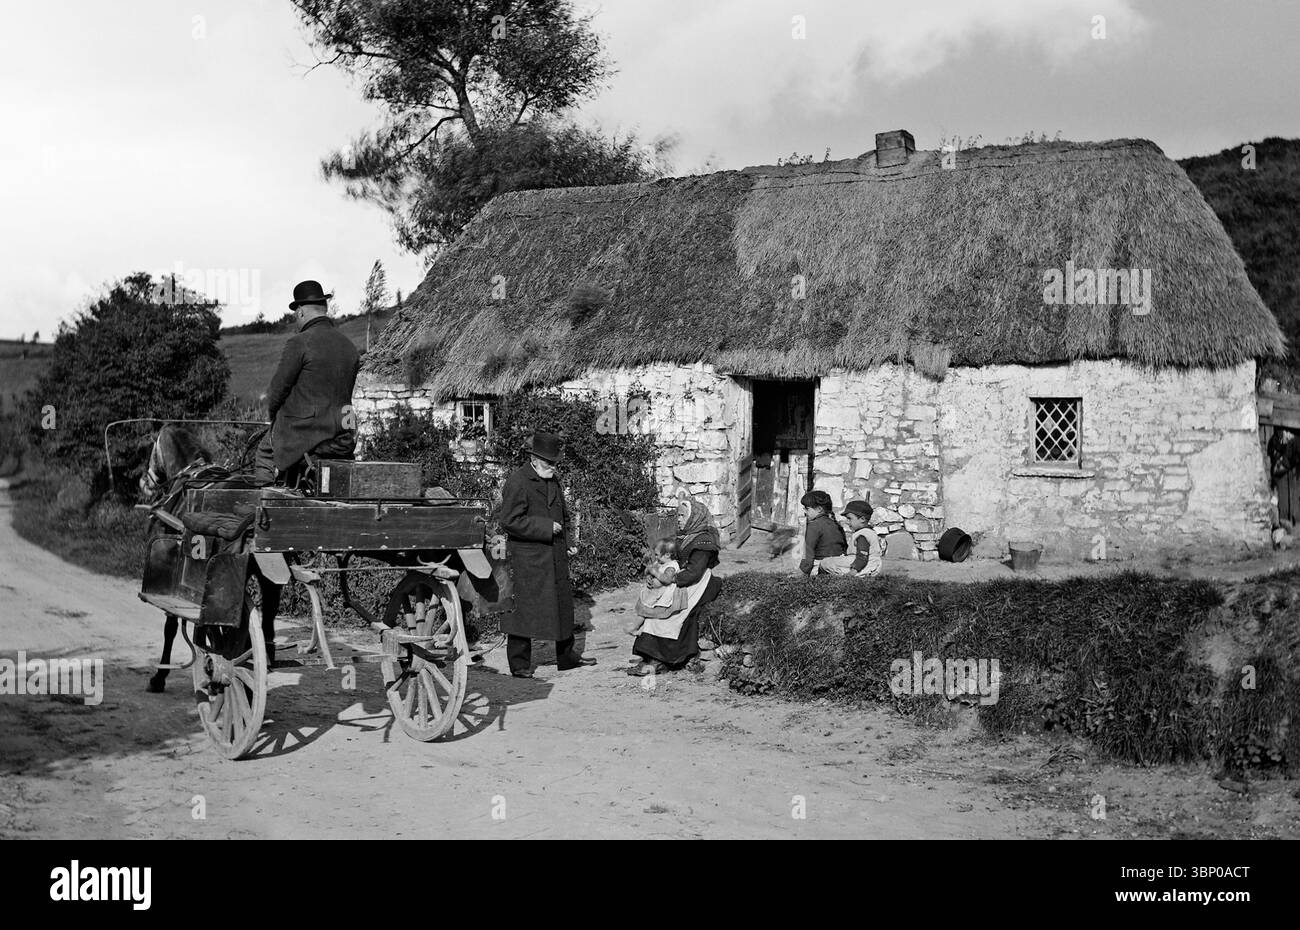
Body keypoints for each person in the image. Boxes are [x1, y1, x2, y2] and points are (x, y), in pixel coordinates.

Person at [498, 430, 596, 678]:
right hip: (528, 558)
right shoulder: (517, 482)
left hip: (555, 554)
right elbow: (509, 521)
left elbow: (564, 515)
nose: (553, 466)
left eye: (555, 462)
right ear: (534, 459)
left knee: (563, 607)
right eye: (549, 462)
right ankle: (519, 664)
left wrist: (569, 541)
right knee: (523, 612)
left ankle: (567, 657)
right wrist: (544, 527)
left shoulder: (552, 479)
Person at [253, 281, 361, 487]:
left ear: (301, 312)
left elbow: (277, 392)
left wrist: (274, 420)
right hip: (343, 432)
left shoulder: (299, 343)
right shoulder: (349, 347)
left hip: (305, 433)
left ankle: (265, 506)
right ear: (325, 309)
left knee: (264, 454)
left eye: (296, 314)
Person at [627, 495, 722, 676]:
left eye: (682, 516)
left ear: (694, 517)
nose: (678, 519)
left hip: (698, 583)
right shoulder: (685, 537)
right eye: (678, 515)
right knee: (657, 608)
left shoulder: (703, 542)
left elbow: (694, 572)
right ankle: (651, 658)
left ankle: (658, 661)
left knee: (672, 616)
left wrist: (669, 579)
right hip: (680, 579)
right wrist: (657, 579)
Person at [818, 500, 884, 576]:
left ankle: (847, 573)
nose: (847, 522)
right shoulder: (870, 532)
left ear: (862, 519)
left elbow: (862, 555)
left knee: (826, 562)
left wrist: (853, 571)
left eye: (850, 518)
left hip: (863, 565)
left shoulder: (862, 535)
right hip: (872, 565)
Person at [797, 489, 847, 575]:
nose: (804, 512)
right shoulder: (835, 524)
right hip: (838, 567)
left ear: (819, 509)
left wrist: (800, 573)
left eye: (807, 509)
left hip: (820, 567)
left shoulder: (814, 526)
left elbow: (808, 555)